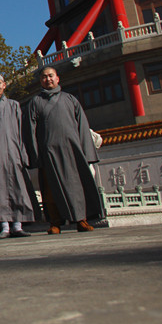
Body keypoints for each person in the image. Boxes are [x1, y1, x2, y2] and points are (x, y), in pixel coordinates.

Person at [24, 67, 103, 234]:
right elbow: (30, 131)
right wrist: (35, 155)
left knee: (76, 187)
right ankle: (55, 222)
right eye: (44, 77)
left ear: (57, 78)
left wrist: (85, 152)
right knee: (51, 190)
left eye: (51, 76)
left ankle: (81, 220)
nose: (48, 79)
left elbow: (82, 126)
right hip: (48, 152)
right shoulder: (35, 102)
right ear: (41, 81)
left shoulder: (70, 99)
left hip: (71, 151)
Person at [0, 74, 36, 239]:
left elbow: (21, 131)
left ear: (4, 85)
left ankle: (18, 225)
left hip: (13, 151)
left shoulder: (14, 105)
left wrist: (23, 153)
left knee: (18, 188)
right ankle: (4, 226)